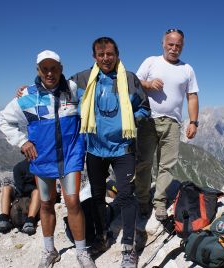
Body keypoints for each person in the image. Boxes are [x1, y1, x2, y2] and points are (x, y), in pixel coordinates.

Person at [0, 50, 96, 268]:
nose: (49, 72)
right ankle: (50, 250)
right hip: (42, 158)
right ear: (38, 70)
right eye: (45, 68)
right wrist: (23, 142)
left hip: (70, 155)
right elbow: (4, 120)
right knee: (46, 203)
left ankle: (82, 252)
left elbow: (93, 100)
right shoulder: (27, 96)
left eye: (54, 68)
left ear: (61, 69)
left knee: (72, 201)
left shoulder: (73, 90)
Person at [70, 37, 150, 267]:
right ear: (94, 56)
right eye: (100, 54)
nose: (105, 58)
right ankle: (101, 237)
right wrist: (31, 87)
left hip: (123, 148)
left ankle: (128, 248)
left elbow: (144, 107)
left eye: (109, 54)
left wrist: (129, 120)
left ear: (117, 55)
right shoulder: (82, 79)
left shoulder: (129, 79)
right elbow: (58, 90)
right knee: (96, 194)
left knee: (125, 195)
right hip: (94, 148)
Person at [135, 28, 200, 221]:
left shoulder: (187, 69)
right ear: (163, 43)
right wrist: (148, 84)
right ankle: (141, 199)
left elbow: (192, 96)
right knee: (144, 162)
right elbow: (134, 82)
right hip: (148, 119)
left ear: (182, 47)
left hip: (173, 123)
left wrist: (194, 122)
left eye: (178, 45)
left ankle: (160, 202)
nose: (174, 48)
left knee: (167, 165)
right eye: (170, 44)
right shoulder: (151, 61)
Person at [0, 159, 40, 235]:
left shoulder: (41, 165)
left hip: (34, 195)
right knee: (6, 188)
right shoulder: (18, 167)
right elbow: (21, 187)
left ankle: (30, 221)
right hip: (21, 195)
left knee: (37, 191)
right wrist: (34, 187)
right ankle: (4, 219)